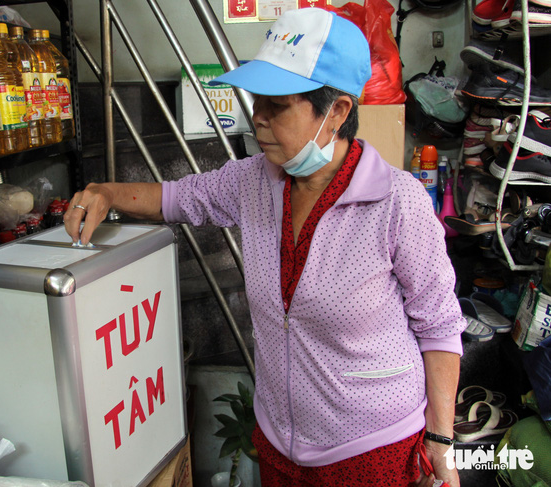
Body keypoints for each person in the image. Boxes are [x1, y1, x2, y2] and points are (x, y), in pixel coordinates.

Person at [64, 8, 464, 487]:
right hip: (280, 445)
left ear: (336, 111)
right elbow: (174, 198)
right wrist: (106, 193)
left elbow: (439, 326)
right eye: (258, 100)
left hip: (371, 450)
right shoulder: (255, 181)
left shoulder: (397, 203)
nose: (258, 118)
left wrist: (441, 442)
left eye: (278, 105)